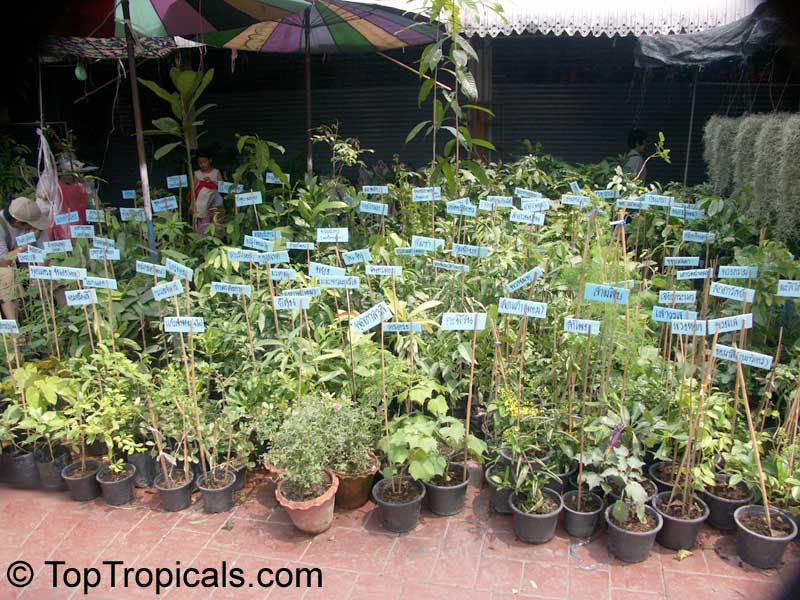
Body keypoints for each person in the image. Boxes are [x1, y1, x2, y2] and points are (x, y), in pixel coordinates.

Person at [0, 197, 49, 320]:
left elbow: (46, 252)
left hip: (27, 264)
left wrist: (38, 275)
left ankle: (60, 317)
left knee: (53, 267)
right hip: (6, 267)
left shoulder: (37, 225)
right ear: (19, 222)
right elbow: (3, 261)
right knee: (7, 276)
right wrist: (27, 244)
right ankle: (14, 330)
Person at [49, 156, 90, 241]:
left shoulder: (80, 187)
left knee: (77, 241)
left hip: (76, 219)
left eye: (70, 175)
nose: (68, 177)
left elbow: (84, 205)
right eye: (66, 174)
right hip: (62, 220)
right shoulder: (57, 187)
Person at [192, 149, 224, 234]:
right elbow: (193, 189)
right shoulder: (197, 174)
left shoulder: (216, 172)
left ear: (210, 160)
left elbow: (222, 187)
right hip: (202, 203)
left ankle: (217, 238)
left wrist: (212, 182)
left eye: (204, 162)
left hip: (215, 201)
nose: (202, 165)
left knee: (216, 220)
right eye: (200, 163)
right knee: (203, 221)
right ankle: (202, 238)